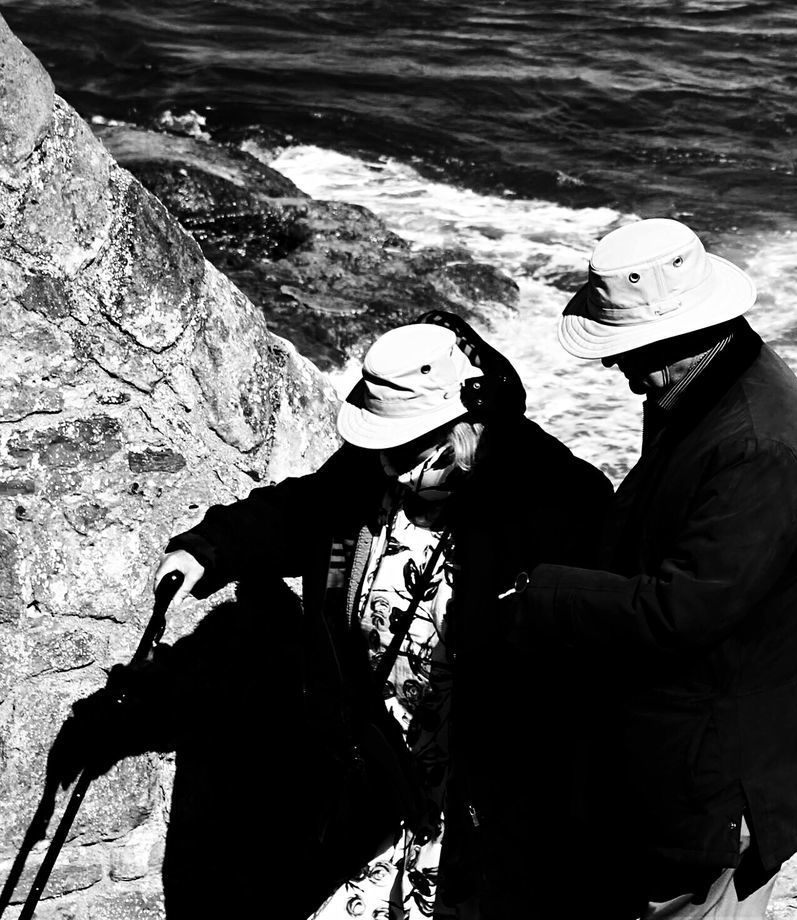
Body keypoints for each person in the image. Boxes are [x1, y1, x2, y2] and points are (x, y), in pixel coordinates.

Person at [154, 311, 611, 920]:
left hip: (472, 778)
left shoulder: (555, 498)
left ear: (462, 420)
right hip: (375, 758)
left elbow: (591, 649)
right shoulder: (373, 463)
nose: (386, 464)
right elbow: (302, 511)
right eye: (380, 448)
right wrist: (207, 549)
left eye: (404, 449)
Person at [512, 218, 797, 919]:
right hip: (699, 766)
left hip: (724, 785)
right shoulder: (701, 391)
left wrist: (543, 593)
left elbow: (682, 609)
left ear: (675, 338)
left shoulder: (758, 443)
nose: (615, 366)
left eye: (626, 349)